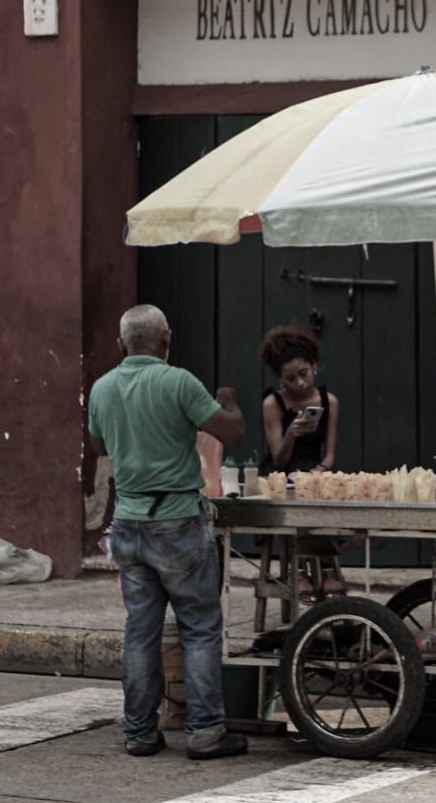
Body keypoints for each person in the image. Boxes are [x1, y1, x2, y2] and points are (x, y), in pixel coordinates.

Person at [88, 303, 248, 759]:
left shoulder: (101, 388)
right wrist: (230, 400)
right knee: (199, 626)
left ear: (121, 344)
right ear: (167, 339)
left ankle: (139, 732)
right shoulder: (178, 382)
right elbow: (231, 434)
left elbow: (100, 443)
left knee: (140, 630)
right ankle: (205, 732)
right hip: (177, 519)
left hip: (128, 522)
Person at [259, 323, 343, 600]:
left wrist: (318, 471)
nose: (300, 383)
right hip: (281, 473)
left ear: (314, 366)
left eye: (304, 374)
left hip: (314, 470)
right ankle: (299, 568)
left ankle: (328, 566)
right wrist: (291, 434)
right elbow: (278, 458)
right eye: (290, 379)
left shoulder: (329, 401)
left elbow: (329, 455)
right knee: (296, 495)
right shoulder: (273, 404)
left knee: (325, 493)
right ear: (280, 379)